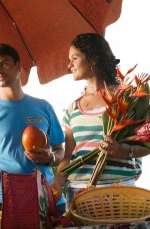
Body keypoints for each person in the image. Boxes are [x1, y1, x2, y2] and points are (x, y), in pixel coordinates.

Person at [0, 43, 66, 215]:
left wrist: (50, 157)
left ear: (18, 66)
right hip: (6, 202)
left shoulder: (44, 107)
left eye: (4, 64)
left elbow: (61, 152)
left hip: (48, 197)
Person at [52, 33, 150, 210]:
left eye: (74, 58)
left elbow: (146, 145)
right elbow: (68, 156)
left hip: (120, 191)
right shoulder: (72, 108)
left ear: (94, 58)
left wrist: (124, 151)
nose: (69, 65)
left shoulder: (128, 99)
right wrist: (56, 184)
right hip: (79, 194)